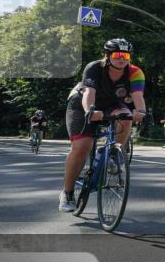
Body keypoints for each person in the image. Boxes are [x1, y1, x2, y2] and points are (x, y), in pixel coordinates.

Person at [60, 38, 147, 211]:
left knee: (126, 115)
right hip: (81, 104)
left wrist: (142, 112)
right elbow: (88, 93)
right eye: (117, 54)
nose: (121, 58)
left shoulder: (135, 72)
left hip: (110, 105)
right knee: (82, 146)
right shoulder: (95, 68)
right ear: (108, 55)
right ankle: (67, 193)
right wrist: (89, 112)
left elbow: (138, 96)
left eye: (125, 55)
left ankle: (113, 154)